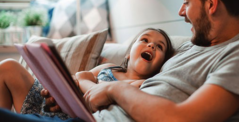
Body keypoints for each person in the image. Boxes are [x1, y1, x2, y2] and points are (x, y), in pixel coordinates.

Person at [0, 0, 239, 121]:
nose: (181, 12)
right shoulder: (194, 47)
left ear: (211, 3)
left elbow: (180, 119)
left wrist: (113, 91)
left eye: (186, 1)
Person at [0, 28, 174, 120]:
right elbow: (78, 78)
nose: (151, 46)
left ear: (161, 64)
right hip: (57, 107)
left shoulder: (145, 85)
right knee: (8, 66)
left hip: (73, 119)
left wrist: (84, 80)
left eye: (159, 47)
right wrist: (56, 93)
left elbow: (90, 85)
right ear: (128, 53)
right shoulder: (110, 68)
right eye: (145, 40)